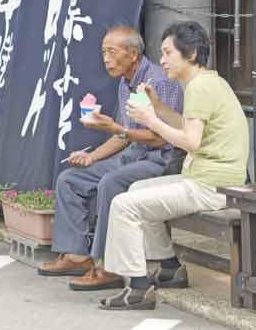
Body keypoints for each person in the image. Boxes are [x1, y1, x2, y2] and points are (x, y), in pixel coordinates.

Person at [100, 21, 249, 310]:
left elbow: (190, 142)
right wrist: (158, 107)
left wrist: (150, 120)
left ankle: (138, 288)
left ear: (190, 54)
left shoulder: (200, 88)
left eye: (168, 52)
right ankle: (169, 267)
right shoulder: (207, 82)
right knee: (138, 188)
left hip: (212, 186)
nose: (162, 60)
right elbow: (187, 127)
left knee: (124, 204)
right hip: (211, 180)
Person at [38, 25, 184, 291]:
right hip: (134, 154)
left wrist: (119, 130)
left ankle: (109, 265)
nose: (105, 58)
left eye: (111, 51)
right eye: (103, 51)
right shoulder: (126, 82)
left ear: (133, 55)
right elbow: (123, 136)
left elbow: (163, 138)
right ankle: (77, 255)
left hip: (161, 159)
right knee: (70, 178)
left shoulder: (158, 82)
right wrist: (91, 158)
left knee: (111, 182)